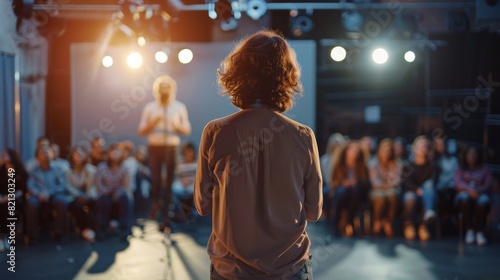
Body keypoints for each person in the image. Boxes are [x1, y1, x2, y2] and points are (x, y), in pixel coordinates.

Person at [194, 30, 322, 279]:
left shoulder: (215, 131)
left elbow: (202, 205)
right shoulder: (303, 136)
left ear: (238, 74)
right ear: (286, 78)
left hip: (229, 270)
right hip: (289, 269)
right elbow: (314, 212)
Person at [138, 75, 191, 231]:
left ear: (172, 90)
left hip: (171, 147)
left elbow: (187, 130)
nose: (164, 92)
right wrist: (153, 124)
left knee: (168, 182)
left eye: (167, 89)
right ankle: (156, 204)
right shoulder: (149, 108)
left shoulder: (179, 107)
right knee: (155, 180)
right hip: (154, 148)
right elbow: (141, 130)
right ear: (157, 91)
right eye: (162, 89)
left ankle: (166, 218)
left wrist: (176, 126)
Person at [26, 145, 68, 244]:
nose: (46, 155)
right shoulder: (34, 171)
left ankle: (59, 232)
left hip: (54, 194)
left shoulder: (58, 169)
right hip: (38, 196)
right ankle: (33, 235)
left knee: (62, 201)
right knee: (31, 203)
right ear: (37, 158)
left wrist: (49, 193)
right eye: (42, 153)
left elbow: (62, 185)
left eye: (47, 152)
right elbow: (30, 186)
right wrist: (39, 194)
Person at [329, 140, 370, 237]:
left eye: (356, 151)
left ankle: (350, 222)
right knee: (342, 192)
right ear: (346, 151)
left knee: (354, 191)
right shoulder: (340, 163)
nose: (354, 153)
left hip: (356, 191)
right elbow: (334, 181)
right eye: (352, 150)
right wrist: (344, 182)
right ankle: (336, 224)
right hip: (341, 189)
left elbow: (365, 182)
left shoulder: (361, 165)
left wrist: (355, 182)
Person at [454, 145, 493, 246]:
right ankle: (469, 229)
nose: (472, 156)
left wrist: (477, 191)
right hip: (465, 193)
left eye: (474, 154)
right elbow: (458, 183)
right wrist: (469, 190)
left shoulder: (485, 169)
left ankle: (479, 231)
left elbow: (488, 185)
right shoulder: (461, 168)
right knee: (464, 199)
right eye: (470, 154)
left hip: (480, 193)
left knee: (482, 202)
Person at [401, 136, 437, 241]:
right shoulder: (408, 164)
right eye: (420, 146)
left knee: (429, 188)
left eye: (425, 146)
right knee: (410, 198)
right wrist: (417, 189)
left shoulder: (433, 165)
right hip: (412, 191)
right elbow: (406, 181)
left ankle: (423, 225)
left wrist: (423, 191)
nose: (422, 148)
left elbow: (433, 180)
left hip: (427, 192)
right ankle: (409, 225)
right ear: (414, 148)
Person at [95, 144, 130, 239]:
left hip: (118, 194)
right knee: (104, 200)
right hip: (105, 193)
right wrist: (110, 192)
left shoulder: (125, 168)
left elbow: (125, 185)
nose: (115, 154)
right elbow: (99, 185)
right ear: (109, 154)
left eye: (117, 151)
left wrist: (117, 193)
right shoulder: (101, 167)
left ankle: (124, 228)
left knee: (125, 198)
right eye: (113, 151)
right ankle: (102, 228)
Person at [368, 138, 401, 237]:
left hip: (391, 190)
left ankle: (388, 221)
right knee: (380, 198)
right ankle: (377, 221)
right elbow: (374, 182)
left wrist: (387, 185)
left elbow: (397, 181)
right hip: (377, 190)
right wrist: (387, 185)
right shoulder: (373, 163)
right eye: (384, 150)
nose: (386, 153)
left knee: (393, 195)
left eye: (389, 151)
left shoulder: (397, 163)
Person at [66, 147, 98, 243]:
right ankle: (83, 229)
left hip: (89, 196)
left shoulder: (91, 170)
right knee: (76, 205)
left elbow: (93, 186)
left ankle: (94, 229)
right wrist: (78, 195)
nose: (78, 157)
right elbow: (69, 186)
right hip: (75, 197)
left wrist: (87, 196)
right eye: (76, 155)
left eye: (80, 154)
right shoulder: (69, 171)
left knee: (96, 203)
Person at [0, 149, 28, 252]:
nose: (3, 157)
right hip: (3, 198)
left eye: (6, 155)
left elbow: (22, 190)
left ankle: (8, 235)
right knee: (2, 207)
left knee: (10, 206)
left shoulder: (20, 170)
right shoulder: (1, 171)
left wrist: (10, 197)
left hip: (17, 198)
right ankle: (3, 236)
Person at [172, 142, 197, 222]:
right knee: (173, 189)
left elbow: (201, 176)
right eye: (187, 151)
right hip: (182, 183)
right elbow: (176, 175)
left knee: (197, 190)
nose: (189, 153)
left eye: (191, 151)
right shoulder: (180, 163)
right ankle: (179, 213)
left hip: (194, 184)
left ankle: (194, 214)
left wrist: (192, 180)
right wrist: (182, 181)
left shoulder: (198, 162)